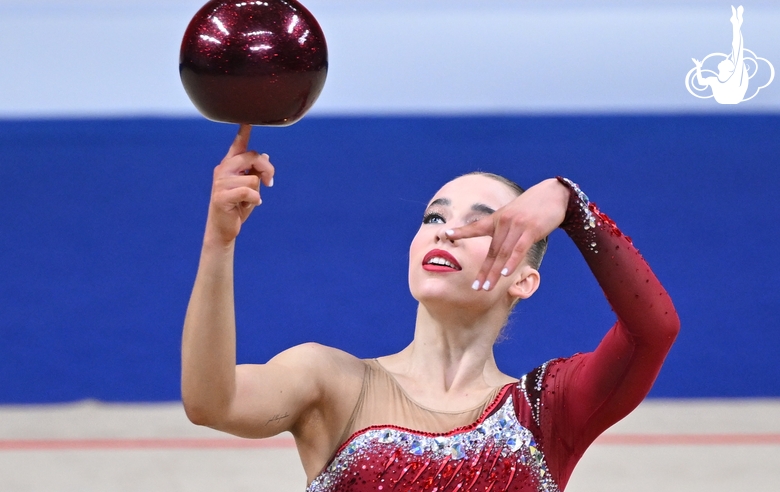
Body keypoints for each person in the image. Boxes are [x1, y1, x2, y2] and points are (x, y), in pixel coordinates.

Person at [181, 125, 680, 491]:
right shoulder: (331, 381)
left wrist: (572, 206)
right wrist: (218, 242)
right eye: (434, 216)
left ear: (524, 281)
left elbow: (653, 331)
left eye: (485, 224)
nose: (446, 230)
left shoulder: (548, 412)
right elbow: (212, 403)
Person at [692, 5, 748, 104]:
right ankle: (736, 23)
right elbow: (701, 82)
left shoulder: (735, 77)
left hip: (733, 98)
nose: (725, 60)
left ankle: (736, 23)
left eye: (727, 62)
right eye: (727, 60)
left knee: (737, 50)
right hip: (725, 99)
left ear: (729, 69)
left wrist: (736, 26)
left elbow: (737, 49)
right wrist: (698, 67)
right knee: (736, 51)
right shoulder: (714, 80)